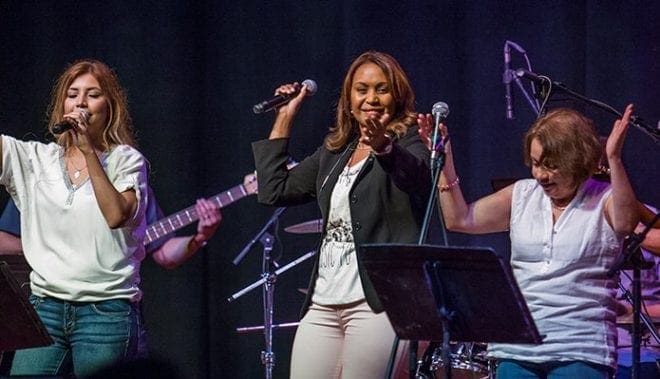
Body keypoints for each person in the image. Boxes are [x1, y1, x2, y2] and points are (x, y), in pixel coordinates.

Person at [419, 104, 639, 378]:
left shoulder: (602, 199)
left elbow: (627, 223)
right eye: (535, 163)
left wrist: (614, 158)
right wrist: (444, 159)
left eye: (551, 166)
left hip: (581, 350)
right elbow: (459, 219)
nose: (540, 175)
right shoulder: (522, 195)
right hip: (517, 349)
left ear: (578, 162)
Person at [252, 51, 431, 378]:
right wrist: (285, 116)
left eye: (382, 89)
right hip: (323, 303)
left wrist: (383, 147)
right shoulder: (336, 151)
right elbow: (274, 189)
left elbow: (416, 177)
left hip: (379, 303)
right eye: (362, 90)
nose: (371, 99)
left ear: (397, 96)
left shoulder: (410, 139)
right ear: (349, 99)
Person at [0, 59, 175, 377]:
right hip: (46, 306)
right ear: (62, 104)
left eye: (92, 94)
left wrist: (88, 151)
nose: (80, 102)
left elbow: (116, 215)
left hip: (106, 312)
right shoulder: (35, 159)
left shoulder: (126, 161)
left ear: (109, 106)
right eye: (72, 94)